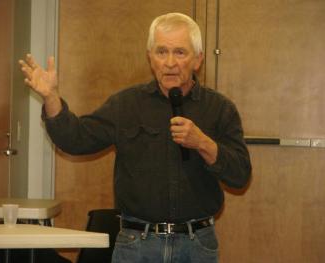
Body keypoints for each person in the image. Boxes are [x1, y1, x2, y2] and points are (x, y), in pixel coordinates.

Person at [19, 12, 251, 263]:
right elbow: (76, 139)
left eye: (180, 53)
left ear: (198, 60)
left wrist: (203, 143)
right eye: (161, 52)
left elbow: (240, 176)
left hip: (196, 245)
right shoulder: (126, 105)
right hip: (137, 245)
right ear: (150, 57)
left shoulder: (220, 109)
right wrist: (51, 98)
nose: (170, 62)